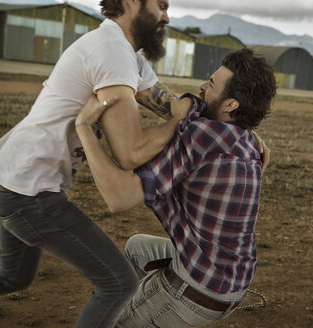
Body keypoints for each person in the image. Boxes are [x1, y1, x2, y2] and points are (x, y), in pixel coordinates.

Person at [0, 0, 191, 327]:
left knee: (11, 277)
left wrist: (239, 131)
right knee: (118, 284)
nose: (167, 16)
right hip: (28, 193)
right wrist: (175, 127)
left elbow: (176, 109)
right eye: (161, 5)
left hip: (10, 179)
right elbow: (130, 152)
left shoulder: (126, 55)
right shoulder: (111, 51)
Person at [75, 48, 277, 327]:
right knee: (137, 249)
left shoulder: (202, 135)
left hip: (199, 289)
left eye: (211, 83)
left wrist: (84, 127)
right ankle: (148, 309)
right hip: (232, 282)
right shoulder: (245, 139)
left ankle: (154, 312)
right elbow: (192, 110)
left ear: (231, 104)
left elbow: (118, 198)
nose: (202, 87)